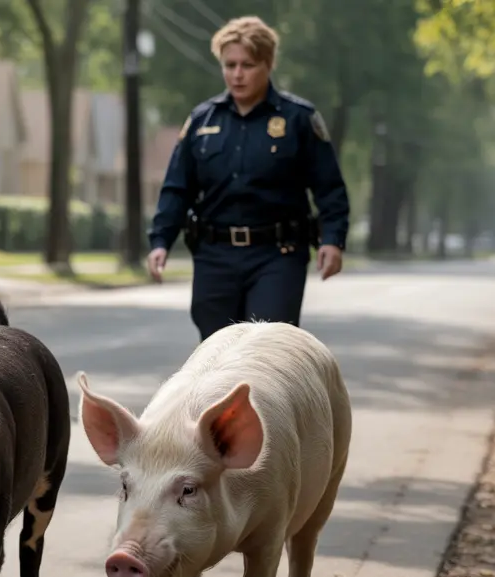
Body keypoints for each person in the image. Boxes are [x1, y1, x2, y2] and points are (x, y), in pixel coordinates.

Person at [146, 15, 350, 342]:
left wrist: (333, 240)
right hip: (215, 256)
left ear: (267, 64)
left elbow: (329, 189)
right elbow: (177, 188)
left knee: (266, 349)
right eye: (229, 65)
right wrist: (160, 241)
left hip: (277, 256)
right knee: (216, 355)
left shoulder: (299, 119)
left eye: (247, 64)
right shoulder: (202, 121)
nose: (237, 74)